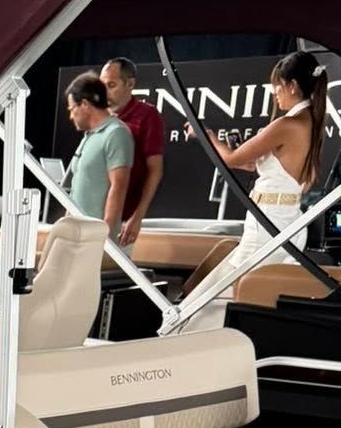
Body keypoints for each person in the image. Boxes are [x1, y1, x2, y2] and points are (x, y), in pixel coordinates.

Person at [182, 50, 329, 333]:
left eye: (277, 86)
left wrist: (206, 136)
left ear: (292, 86)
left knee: (226, 295)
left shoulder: (287, 124)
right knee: (250, 295)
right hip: (286, 223)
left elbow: (231, 159)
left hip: (267, 224)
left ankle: (196, 344)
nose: (275, 94)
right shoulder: (311, 122)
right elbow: (256, 164)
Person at [100, 56, 165, 246]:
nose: (104, 92)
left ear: (130, 84)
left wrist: (137, 217)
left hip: (122, 218)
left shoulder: (147, 116)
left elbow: (155, 170)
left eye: (111, 85)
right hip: (92, 214)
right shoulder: (98, 116)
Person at [62, 75, 133, 239]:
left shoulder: (116, 133)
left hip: (94, 237)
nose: (71, 116)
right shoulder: (89, 136)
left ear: (85, 105)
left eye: (72, 109)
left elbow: (119, 186)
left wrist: (104, 232)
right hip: (75, 232)